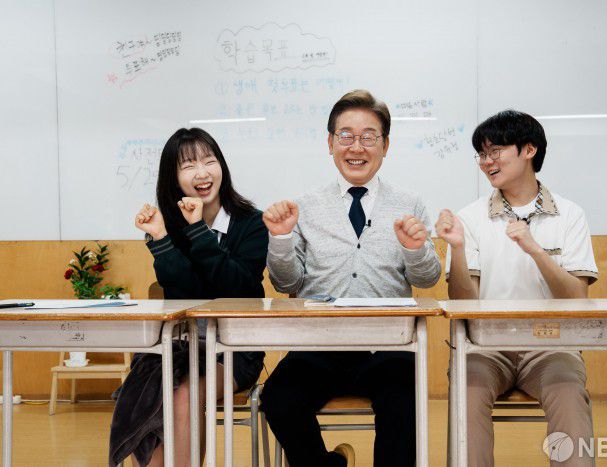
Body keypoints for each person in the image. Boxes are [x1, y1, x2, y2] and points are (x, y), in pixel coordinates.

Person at [260, 89, 441, 467]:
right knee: (278, 398)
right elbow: (286, 283)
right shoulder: (304, 205)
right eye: (346, 135)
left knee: (403, 405)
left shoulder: (409, 203)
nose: (356, 147)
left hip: (389, 347)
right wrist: (280, 239)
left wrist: (414, 249)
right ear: (330, 143)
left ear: (385, 145)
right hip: (317, 346)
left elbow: (427, 279)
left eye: (368, 136)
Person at [436, 110, 598, 467]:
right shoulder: (470, 217)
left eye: (495, 151)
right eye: (482, 154)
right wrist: (457, 249)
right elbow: (462, 303)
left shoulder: (569, 214)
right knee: (467, 392)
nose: (486, 161)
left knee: (569, 394)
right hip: (484, 347)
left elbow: (577, 297)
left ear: (529, 150)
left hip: (551, 345)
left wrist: (536, 251)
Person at [109, 128, 268, 467]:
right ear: (174, 177)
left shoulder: (251, 223)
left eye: (209, 161)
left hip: (234, 350)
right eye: (188, 165)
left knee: (182, 394)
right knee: (145, 393)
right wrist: (161, 238)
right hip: (178, 347)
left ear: (221, 166)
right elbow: (186, 297)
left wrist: (198, 230)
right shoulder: (168, 227)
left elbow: (238, 290)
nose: (201, 173)